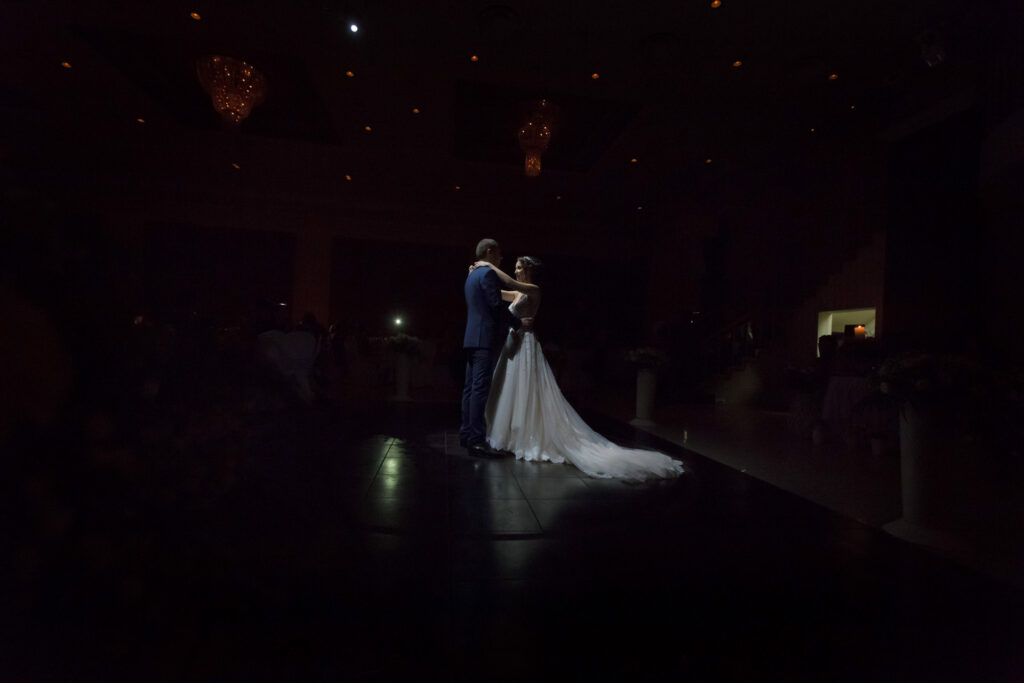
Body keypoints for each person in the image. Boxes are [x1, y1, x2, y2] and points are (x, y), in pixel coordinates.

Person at [473, 256, 684, 482]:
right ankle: (511, 436)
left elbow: (510, 283)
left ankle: (528, 436)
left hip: (526, 346)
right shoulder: (517, 294)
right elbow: (498, 293)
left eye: (518, 267)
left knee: (528, 389)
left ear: (528, 270)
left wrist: (488, 266)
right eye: (514, 267)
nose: (515, 271)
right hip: (512, 346)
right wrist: (477, 277)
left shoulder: (533, 290)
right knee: (509, 390)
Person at [460, 239, 534, 457]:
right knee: (479, 389)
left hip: (470, 336)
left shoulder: (472, 275)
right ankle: (476, 439)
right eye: (499, 254)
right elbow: (495, 306)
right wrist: (518, 323)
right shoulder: (488, 274)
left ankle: (466, 434)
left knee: (469, 388)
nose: (501, 258)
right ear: (490, 252)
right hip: (484, 337)